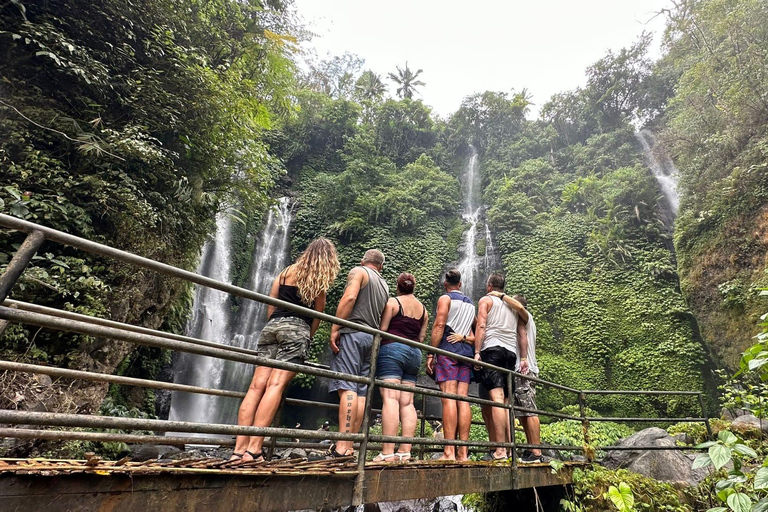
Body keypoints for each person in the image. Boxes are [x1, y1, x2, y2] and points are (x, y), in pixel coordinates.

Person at [231, 238, 340, 463]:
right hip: (297, 330)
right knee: (276, 385)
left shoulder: (284, 272)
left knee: (255, 387)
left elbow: (271, 303)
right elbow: (317, 317)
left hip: (271, 328)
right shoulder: (317, 281)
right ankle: (254, 450)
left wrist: (276, 324)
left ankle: (238, 450)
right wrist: (304, 336)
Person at [327, 249, 389, 458]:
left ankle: (341, 446)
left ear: (364, 261)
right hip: (371, 339)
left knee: (347, 387)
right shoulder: (384, 285)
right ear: (381, 266)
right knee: (361, 391)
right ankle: (350, 444)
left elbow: (350, 297)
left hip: (353, 333)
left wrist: (336, 327)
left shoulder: (359, 272)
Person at [373, 273, 429, 462]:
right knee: (407, 402)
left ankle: (387, 452)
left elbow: (382, 330)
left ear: (398, 287)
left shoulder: (393, 303)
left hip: (393, 349)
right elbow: (421, 338)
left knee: (390, 398)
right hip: (415, 354)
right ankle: (405, 451)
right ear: (414, 287)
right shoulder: (424, 310)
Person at [474, 273, 529, 461]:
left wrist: (477, 352)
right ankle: (509, 447)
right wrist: (523, 357)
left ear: (489, 286)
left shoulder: (486, 300)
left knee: (496, 399)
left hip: (492, 350)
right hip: (510, 354)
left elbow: (481, 325)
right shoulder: (512, 305)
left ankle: (500, 450)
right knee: (504, 402)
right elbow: (522, 331)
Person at [427, 269, 475, 461]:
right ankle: (463, 453)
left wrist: (431, 352)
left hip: (448, 351)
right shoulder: (471, 304)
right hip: (466, 354)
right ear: (461, 284)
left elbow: (439, 325)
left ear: (446, 284)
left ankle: (449, 452)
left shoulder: (445, 299)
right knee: (463, 399)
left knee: (448, 399)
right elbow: (477, 331)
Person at [487, 291, 542, 463]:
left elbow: (518, 309)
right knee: (523, 412)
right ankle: (531, 449)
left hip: (525, 370)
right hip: (518, 369)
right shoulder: (520, 321)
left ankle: (537, 452)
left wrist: (500, 296)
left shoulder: (525, 317)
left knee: (529, 410)